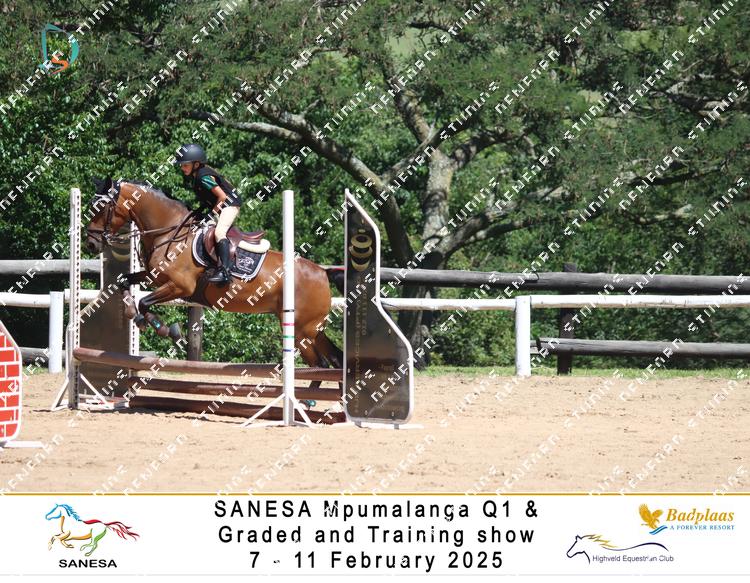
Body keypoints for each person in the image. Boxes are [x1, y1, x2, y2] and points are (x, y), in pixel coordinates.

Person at [175, 143, 242, 286]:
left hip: (230, 204)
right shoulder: (197, 175)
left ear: (196, 164)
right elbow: (209, 199)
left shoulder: (203, 176)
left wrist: (211, 215)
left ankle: (225, 272)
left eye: (185, 165)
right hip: (220, 205)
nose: (182, 168)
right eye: (181, 165)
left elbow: (222, 197)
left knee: (219, 232)